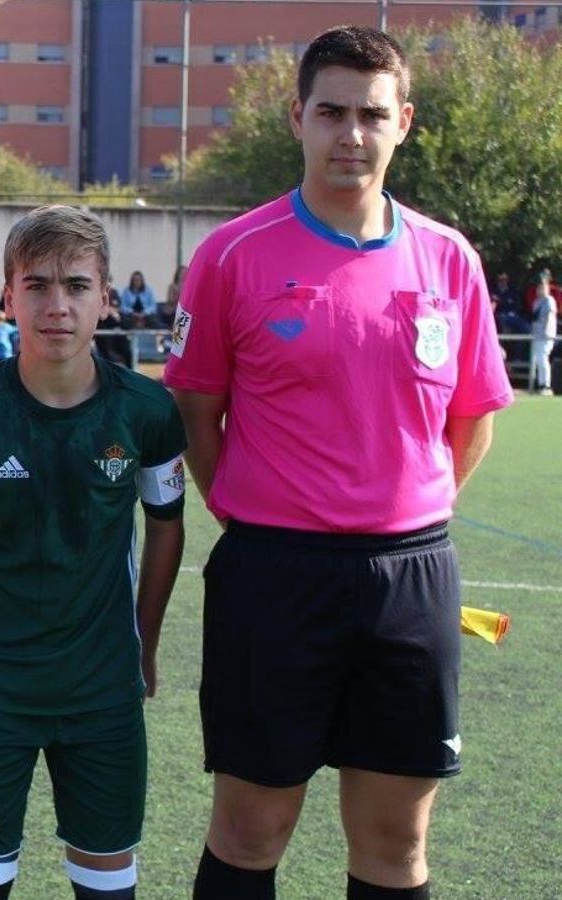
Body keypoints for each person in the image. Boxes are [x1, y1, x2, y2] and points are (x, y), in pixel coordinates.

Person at [164, 28, 513, 900]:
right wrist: (259, 515)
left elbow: (471, 421)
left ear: (405, 124)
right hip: (273, 573)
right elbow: (195, 415)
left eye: (371, 114)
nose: (350, 134)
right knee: (251, 829)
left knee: (397, 841)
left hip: (412, 577)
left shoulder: (450, 260)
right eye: (331, 112)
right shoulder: (233, 255)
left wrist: (403, 511)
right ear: (298, 118)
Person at [0, 204, 186, 900]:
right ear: (7, 297)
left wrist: (143, 641)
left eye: (77, 286)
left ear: (106, 298)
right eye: (36, 285)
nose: (56, 306)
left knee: (106, 885)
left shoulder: (147, 413)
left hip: (102, 693)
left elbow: (167, 527)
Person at [532, 270, 557, 394]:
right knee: (537, 360)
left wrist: (547, 331)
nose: (539, 290)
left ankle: (546, 385)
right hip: (536, 335)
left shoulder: (549, 300)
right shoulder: (536, 302)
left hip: (546, 335)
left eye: (542, 288)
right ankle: (539, 384)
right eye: (538, 288)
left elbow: (549, 316)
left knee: (543, 359)